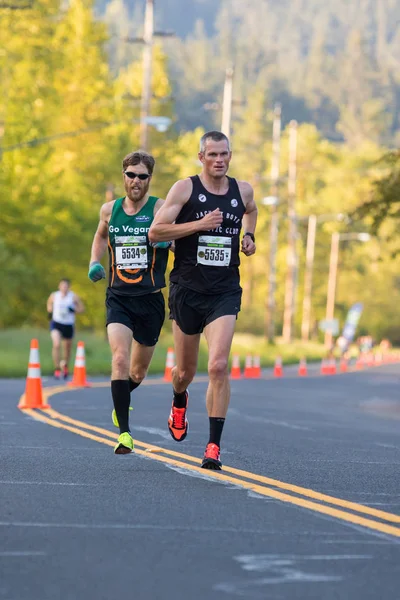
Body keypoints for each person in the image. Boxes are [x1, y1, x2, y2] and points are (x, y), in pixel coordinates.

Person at [149, 130, 257, 470]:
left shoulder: (242, 191)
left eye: (224, 154)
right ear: (201, 157)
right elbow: (156, 232)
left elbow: (251, 211)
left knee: (218, 366)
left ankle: (213, 446)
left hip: (224, 290)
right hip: (187, 290)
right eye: (213, 154)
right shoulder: (185, 189)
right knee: (185, 372)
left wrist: (250, 235)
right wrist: (198, 225)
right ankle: (179, 399)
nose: (220, 160)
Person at [88, 150, 171, 455]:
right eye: (131, 175)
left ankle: (122, 398)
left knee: (136, 373)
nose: (136, 181)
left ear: (150, 178)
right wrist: (94, 262)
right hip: (119, 297)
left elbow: (178, 237)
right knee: (120, 360)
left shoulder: (160, 207)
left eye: (143, 176)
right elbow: (99, 236)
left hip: (149, 299)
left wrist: (168, 241)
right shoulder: (109, 210)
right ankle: (124, 433)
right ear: (123, 176)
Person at [47, 279, 84, 380]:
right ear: (59, 286)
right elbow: (49, 304)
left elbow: (81, 309)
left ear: (69, 287)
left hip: (68, 324)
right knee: (56, 344)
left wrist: (73, 310)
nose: (64, 288)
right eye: (62, 286)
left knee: (67, 348)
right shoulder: (54, 295)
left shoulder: (73, 296)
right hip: (56, 323)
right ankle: (57, 368)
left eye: (66, 286)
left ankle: (65, 366)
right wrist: (50, 310)